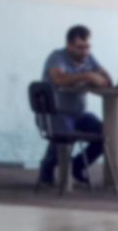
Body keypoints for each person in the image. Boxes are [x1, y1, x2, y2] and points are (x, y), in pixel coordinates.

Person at [39, 25, 112, 186]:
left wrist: (98, 78)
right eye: (80, 48)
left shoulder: (89, 58)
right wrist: (87, 75)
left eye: (87, 47)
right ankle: (48, 168)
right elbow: (58, 80)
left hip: (79, 113)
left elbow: (107, 78)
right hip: (55, 113)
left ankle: (77, 166)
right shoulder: (57, 57)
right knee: (65, 134)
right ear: (69, 45)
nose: (84, 51)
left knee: (108, 134)